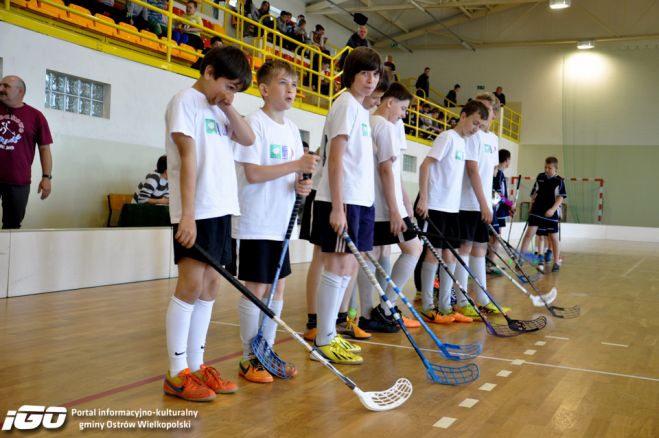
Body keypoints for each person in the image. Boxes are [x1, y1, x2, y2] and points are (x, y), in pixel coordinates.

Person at [162, 46, 255, 402]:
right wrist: (186, 214)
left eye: (236, 90)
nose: (230, 94)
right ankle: (176, 372)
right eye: (229, 86)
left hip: (221, 207)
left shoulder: (221, 107)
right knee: (190, 285)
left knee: (211, 286)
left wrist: (229, 105)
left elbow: (248, 139)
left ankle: (198, 366)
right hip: (196, 209)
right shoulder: (184, 101)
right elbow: (187, 158)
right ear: (209, 71)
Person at [233, 60, 318, 383]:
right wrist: (295, 164)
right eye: (283, 83)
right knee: (256, 289)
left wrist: (301, 185)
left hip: (283, 221)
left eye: (294, 84)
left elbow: (294, 174)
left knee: (278, 288)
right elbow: (253, 174)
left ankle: (265, 350)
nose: (291, 90)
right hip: (257, 221)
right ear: (265, 89)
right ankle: (248, 357)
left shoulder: (293, 129)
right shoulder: (253, 124)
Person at [300, 72, 390, 344]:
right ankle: (322, 331)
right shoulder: (345, 106)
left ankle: (334, 326)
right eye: (366, 74)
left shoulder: (360, 111)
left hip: (360, 201)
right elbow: (336, 159)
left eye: (375, 76)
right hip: (339, 198)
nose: (372, 82)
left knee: (348, 266)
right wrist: (338, 207)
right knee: (332, 263)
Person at [356, 82, 423, 333]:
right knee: (414, 248)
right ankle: (386, 307)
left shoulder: (369, 122)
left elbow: (391, 171)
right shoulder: (384, 126)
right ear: (390, 102)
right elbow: (386, 170)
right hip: (386, 206)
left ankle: (366, 314)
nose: (403, 114)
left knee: (370, 255)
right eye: (403, 108)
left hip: (374, 203)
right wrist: (397, 210)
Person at [415, 99, 489, 324]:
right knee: (433, 254)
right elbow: (425, 165)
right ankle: (428, 306)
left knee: (450, 256)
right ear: (463, 116)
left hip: (452, 209)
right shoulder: (447, 137)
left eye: (480, 125)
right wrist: (425, 198)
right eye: (474, 123)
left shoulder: (464, 143)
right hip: (435, 206)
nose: (476, 128)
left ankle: (446, 305)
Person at [451, 93, 511, 320]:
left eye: (488, 111)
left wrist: (490, 202)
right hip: (466, 203)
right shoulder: (472, 137)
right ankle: (461, 300)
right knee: (463, 250)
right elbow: (472, 170)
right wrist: (483, 203)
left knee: (480, 249)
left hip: (483, 203)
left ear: (494, 114)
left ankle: (483, 300)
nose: (484, 116)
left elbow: (490, 173)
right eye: (480, 111)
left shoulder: (493, 139)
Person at [0, 75, 53, 230]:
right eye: (0, 85)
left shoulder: (36, 117)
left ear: (20, 91)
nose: (1, 89)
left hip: (18, 181)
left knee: (12, 227)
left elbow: (44, 149)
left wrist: (46, 177)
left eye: (6, 86)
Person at [519, 157, 567, 272]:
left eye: (549, 168)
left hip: (551, 212)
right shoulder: (540, 177)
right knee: (529, 234)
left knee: (553, 238)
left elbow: (561, 198)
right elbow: (534, 193)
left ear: (556, 168)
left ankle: (556, 262)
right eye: (545, 167)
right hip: (537, 210)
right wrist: (531, 205)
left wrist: (552, 210)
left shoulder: (559, 181)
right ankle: (520, 258)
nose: (546, 169)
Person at [487, 148, 515, 274]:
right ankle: (488, 263)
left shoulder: (501, 173)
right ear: (507, 160)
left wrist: (508, 207)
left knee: (495, 237)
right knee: (495, 237)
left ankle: (489, 263)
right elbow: (496, 195)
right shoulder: (497, 172)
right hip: (495, 210)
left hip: (500, 210)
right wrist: (509, 204)